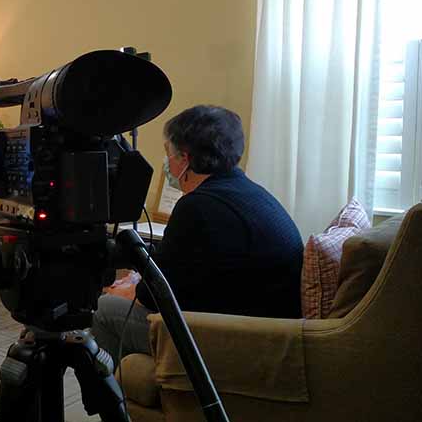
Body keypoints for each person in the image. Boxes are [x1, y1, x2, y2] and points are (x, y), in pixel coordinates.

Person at [90, 105, 304, 368]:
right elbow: (194, 267)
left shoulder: (198, 207)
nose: (167, 163)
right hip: (270, 328)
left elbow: (155, 295)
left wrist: (130, 289)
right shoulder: (251, 193)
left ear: (185, 158)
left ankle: (121, 406)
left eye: (168, 153)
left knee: (104, 310)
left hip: (242, 341)